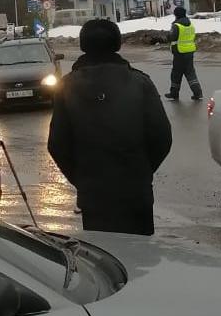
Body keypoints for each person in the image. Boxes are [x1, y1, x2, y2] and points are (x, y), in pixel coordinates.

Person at [48, 19, 172, 235]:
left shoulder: (66, 87)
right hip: (136, 194)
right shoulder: (140, 83)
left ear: (83, 45)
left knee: (104, 261)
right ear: (117, 44)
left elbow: (57, 145)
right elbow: (162, 138)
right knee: (141, 259)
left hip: (94, 197)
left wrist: (83, 180)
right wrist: (140, 173)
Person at [165, 6, 203, 101]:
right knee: (190, 72)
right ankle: (198, 92)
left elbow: (172, 37)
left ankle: (174, 93)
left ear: (177, 15)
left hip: (179, 52)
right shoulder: (190, 25)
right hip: (189, 52)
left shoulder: (177, 25)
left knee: (176, 73)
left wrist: (168, 36)